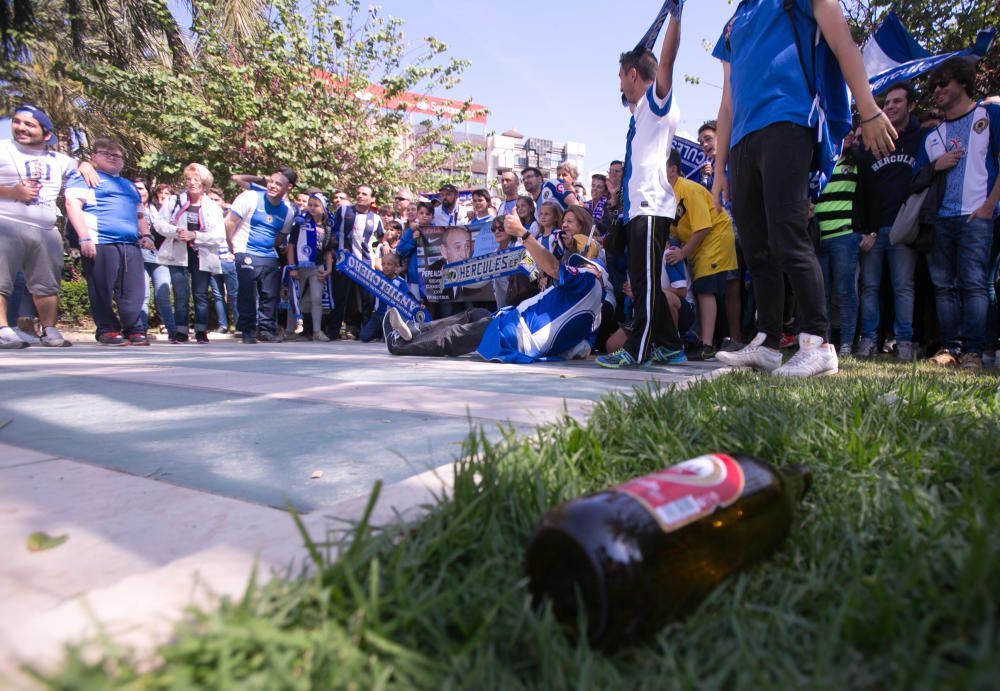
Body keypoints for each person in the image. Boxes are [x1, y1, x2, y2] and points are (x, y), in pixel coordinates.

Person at [711, 0, 896, 377]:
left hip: (789, 120)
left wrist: (869, 108)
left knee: (787, 235)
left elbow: (844, 44)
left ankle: (817, 343)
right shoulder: (734, 20)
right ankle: (767, 341)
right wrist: (719, 169)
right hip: (742, 140)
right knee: (756, 247)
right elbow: (727, 98)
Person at [384, 214, 605, 363]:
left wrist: (524, 235)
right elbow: (583, 349)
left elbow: (553, 267)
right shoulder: (596, 308)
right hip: (519, 331)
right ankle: (415, 330)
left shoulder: (588, 276)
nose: (576, 265)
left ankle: (399, 345)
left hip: (517, 334)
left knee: (457, 335)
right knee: (475, 315)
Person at [595, 10, 687, 369]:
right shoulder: (639, 113)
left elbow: (666, 62)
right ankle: (670, 345)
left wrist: (675, 18)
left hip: (651, 207)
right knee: (643, 280)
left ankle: (638, 349)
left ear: (633, 74)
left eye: (621, 76)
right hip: (638, 210)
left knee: (646, 284)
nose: (619, 84)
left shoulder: (657, 104)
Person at [915, 57, 1000, 371]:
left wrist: (989, 206)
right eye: (934, 85)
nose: (936, 90)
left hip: (976, 216)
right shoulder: (932, 136)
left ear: (962, 82)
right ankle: (950, 349)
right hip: (940, 220)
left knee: (974, 284)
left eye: (943, 83)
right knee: (943, 287)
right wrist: (934, 166)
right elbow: (916, 177)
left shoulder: (989, 115)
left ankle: (975, 353)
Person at [0, 105, 98, 348]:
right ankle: (3, 330)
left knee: (46, 283)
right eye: (18, 122)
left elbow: (79, 165)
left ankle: (49, 330)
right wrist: (12, 192)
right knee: (2, 281)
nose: (21, 127)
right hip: (7, 223)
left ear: (46, 134)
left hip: (45, 228)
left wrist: (84, 163)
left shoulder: (58, 159)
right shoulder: (2, 150)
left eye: (29, 124)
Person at [855, 82, 924, 362]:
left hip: (904, 228)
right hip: (874, 228)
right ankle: (869, 340)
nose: (890, 106)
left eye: (897, 101)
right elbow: (862, 191)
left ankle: (904, 341)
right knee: (869, 287)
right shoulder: (871, 143)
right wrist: (865, 228)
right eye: (887, 103)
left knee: (903, 287)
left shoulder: (921, 139)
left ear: (911, 105)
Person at [64, 137, 154, 345]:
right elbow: (73, 205)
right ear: (94, 157)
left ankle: (134, 329)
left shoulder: (129, 186)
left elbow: (139, 214)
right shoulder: (86, 177)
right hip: (100, 241)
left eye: (117, 156)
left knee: (134, 290)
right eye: (107, 154)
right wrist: (84, 237)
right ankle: (107, 330)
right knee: (101, 289)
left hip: (130, 244)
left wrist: (146, 235)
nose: (113, 158)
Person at [664, 149, 740, 361]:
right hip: (699, 243)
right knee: (702, 288)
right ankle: (704, 340)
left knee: (705, 288)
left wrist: (682, 253)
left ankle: (706, 345)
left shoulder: (689, 189)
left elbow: (704, 227)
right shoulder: (669, 194)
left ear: (672, 170)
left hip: (714, 236)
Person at [154, 163, 226, 343]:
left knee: (201, 293)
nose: (192, 183)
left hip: (201, 253)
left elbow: (219, 235)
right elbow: (159, 224)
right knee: (180, 293)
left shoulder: (212, 206)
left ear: (204, 183)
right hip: (178, 252)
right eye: (188, 179)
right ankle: (181, 331)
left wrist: (195, 235)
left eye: (197, 180)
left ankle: (201, 330)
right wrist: (176, 232)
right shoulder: (174, 201)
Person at [225, 167, 298, 343]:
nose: (272, 186)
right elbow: (229, 222)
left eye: (278, 184)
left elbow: (281, 236)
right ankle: (247, 330)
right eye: (271, 182)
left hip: (268, 255)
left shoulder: (288, 210)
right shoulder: (250, 197)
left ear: (287, 188)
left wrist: (270, 247)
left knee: (270, 294)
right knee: (247, 293)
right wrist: (231, 247)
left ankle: (266, 330)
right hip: (245, 251)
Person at [815, 138, 862, 357]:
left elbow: (868, 196)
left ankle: (846, 345)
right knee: (820, 294)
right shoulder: (819, 162)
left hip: (845, 235)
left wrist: (868, 230)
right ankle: (824, 346)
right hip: (818, 236)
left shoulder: (857, 161)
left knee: (845, 292)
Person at [329, 183, 384, 339]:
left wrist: (384, 247)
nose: (360, 196)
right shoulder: (343, 210)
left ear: (372, 199)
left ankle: (367, 333)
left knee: (368, 300)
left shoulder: (376, 218)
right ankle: (333, 331)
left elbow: (381, 238)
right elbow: (333, 230)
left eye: (364, 194)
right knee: (340, 298)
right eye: (358, 193)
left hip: (365, 263)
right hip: (343, 262)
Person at [286, 191, 334, 341]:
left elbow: (328, 251)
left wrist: (328, 269)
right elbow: (291, 246)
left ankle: (317, 331)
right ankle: (289, 330)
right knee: (295, 298)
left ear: (324, 208)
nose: (312, 208)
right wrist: (292, 267)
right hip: (300, 266)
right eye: (310, 205)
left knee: (316, 299)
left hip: (317, 266)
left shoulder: (327, 227)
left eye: (316, 205)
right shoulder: (300, 224)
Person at [134, 177, 176, 337]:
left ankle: (173, 332)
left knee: (163, 294)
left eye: (142, 188)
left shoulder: (158, 208)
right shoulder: (130, 208)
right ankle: (140, 331)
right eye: (136, 188)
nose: (140, 192)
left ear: (147, 191)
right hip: (139, 256)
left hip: (160, 257)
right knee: (143, 296)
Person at [206, 186, 237, 334]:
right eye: (210, 199)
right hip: (212, 258)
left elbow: (237, 235)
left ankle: (239, 324)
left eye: (216, 199)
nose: (213, 202)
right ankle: (222, 325)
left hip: (228, 258)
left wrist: (234, 253)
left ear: (222, 201)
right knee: (217, 294)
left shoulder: (229, 216)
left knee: (234, 293)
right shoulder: (204, 216)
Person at [358, 251, 409, 342]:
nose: (386, 267)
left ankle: (385, 333)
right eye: (383, 264)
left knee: (388, 339)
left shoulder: (400, 282)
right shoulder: (377, 278)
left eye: (389, 264)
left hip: (393, 316)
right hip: (378, 314)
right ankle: (378, 333)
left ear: (396, 266)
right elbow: (362, 272)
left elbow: (407, 299)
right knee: (364, 336)